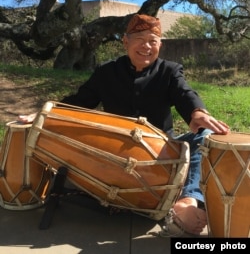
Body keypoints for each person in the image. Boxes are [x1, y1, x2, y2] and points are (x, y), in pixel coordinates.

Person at [19, 14, 230, 235]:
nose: (146, 46)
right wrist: (46, 113)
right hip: (115, 154)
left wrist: (196, 111)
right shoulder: (106, 71)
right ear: (125, 41)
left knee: (204, 135)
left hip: (164, 151)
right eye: (139, 38)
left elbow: (185, 93)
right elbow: (80, 102)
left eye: (152, 40)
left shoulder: (169, 70)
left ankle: (187, 201)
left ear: (160, 44)